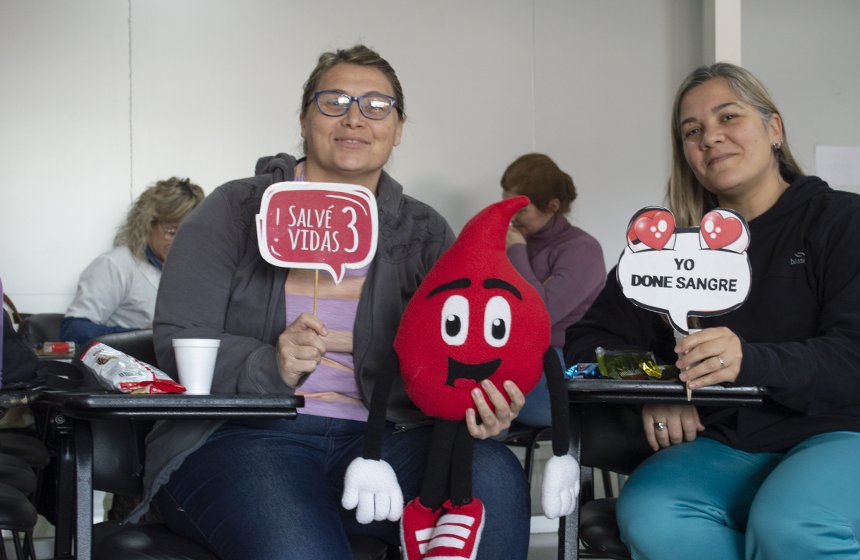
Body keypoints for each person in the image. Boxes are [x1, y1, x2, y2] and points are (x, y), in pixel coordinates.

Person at [127, 45, 530, 560]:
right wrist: (269, 363)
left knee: (493, 476)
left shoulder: (426, 232)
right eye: (333, 101)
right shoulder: (234, 210)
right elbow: (180, 338)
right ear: (304, 119)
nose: (354, 118)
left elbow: (458, 348)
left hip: (391, 440)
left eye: (377, 106)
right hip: (243, 437)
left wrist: (479, 404)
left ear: (398, 128)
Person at [564, 63, 860, 559]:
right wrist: (657, 390)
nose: (710, 137)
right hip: (729, 445)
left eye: (728, 117)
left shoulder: (843, 221)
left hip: (855, 430)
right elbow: (588, 342)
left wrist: (750, 360)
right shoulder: (669, 252)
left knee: (792, 524)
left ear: (774, 128)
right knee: (651, 516)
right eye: (692, 131)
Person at [500, 153, 605, 427]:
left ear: (552, 206)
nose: (511, 217)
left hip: (563, 365)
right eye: (507, 206)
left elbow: (540, 315)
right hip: (515, 354)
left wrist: (516, 251)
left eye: (521, 210)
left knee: (481, 402)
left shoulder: (582, 249)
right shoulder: (510, 243)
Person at [59, 177, 204, 345]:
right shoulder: (114, 266)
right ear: (147, 224)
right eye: (171, 232)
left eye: (188, 233)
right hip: (129, 360)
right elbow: (73, 331)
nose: (181, 241)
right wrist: (141, 336)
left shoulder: (192, 271)